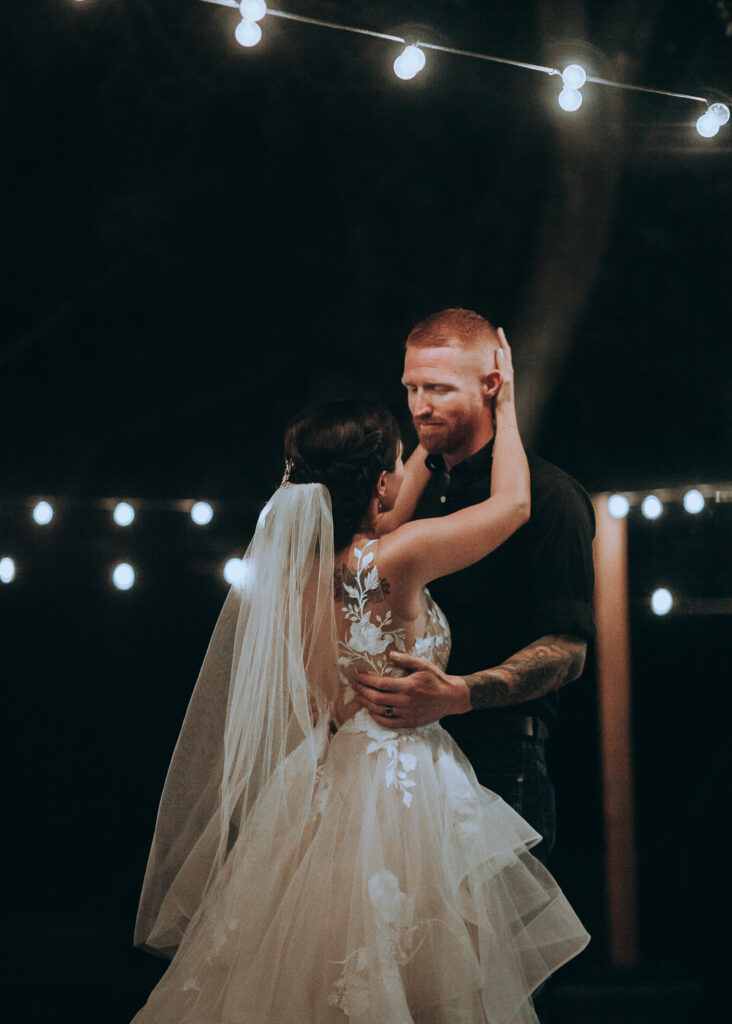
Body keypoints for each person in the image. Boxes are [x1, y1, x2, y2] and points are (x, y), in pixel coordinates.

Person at [131, 332, 589, 1024]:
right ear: (379, 483)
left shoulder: (288, 576)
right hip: (405, 789)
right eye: (398, 462)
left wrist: (416, 450)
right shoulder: (396, 559)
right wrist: (511, 403)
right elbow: (513, 507)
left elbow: (374, 515)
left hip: (323, 785)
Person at [352, 308, 596, 866]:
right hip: (401, 767)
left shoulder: (552, 497)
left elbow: (568, 650)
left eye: (437, 387)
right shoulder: (408, 498)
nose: (418, 405)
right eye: (411, 387)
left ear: (492, 384)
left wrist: (458, 694)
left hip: (500, 761)